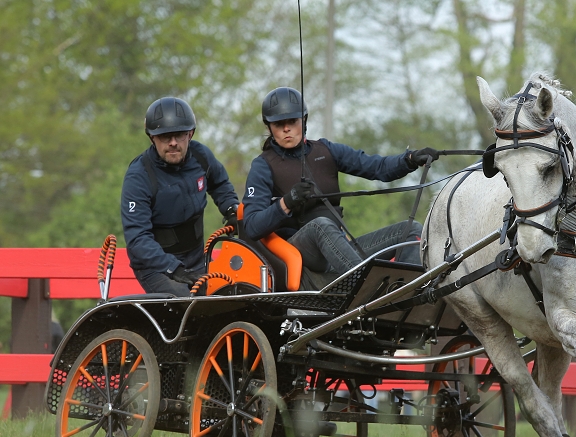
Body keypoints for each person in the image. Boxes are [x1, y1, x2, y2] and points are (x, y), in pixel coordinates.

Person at [242, 87, 436, 280]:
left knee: (411, 230)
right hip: (302, 251)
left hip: (340, 250)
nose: (286, 129)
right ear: (269, 127)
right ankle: (368, 288)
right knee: (321, 225)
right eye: (278, 124)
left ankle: (405, 292)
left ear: (304, 120)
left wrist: (409, 159)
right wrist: (287, 202)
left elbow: (378, 167)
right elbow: (252, 226)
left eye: (292, 121)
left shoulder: (326, 150)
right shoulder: (263, 165)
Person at [121, 97, 239, 296]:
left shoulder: (201, 156)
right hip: (155, 266)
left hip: (196, 258)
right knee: (185, 303)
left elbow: (220, 184)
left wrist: (231, 209)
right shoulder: (138, 176)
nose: (173, 143)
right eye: (165, 137)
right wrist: (174, 268)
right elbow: (138, 239)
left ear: (190, 134)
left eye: (179, 135)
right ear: (152, 137)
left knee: (228, 296)